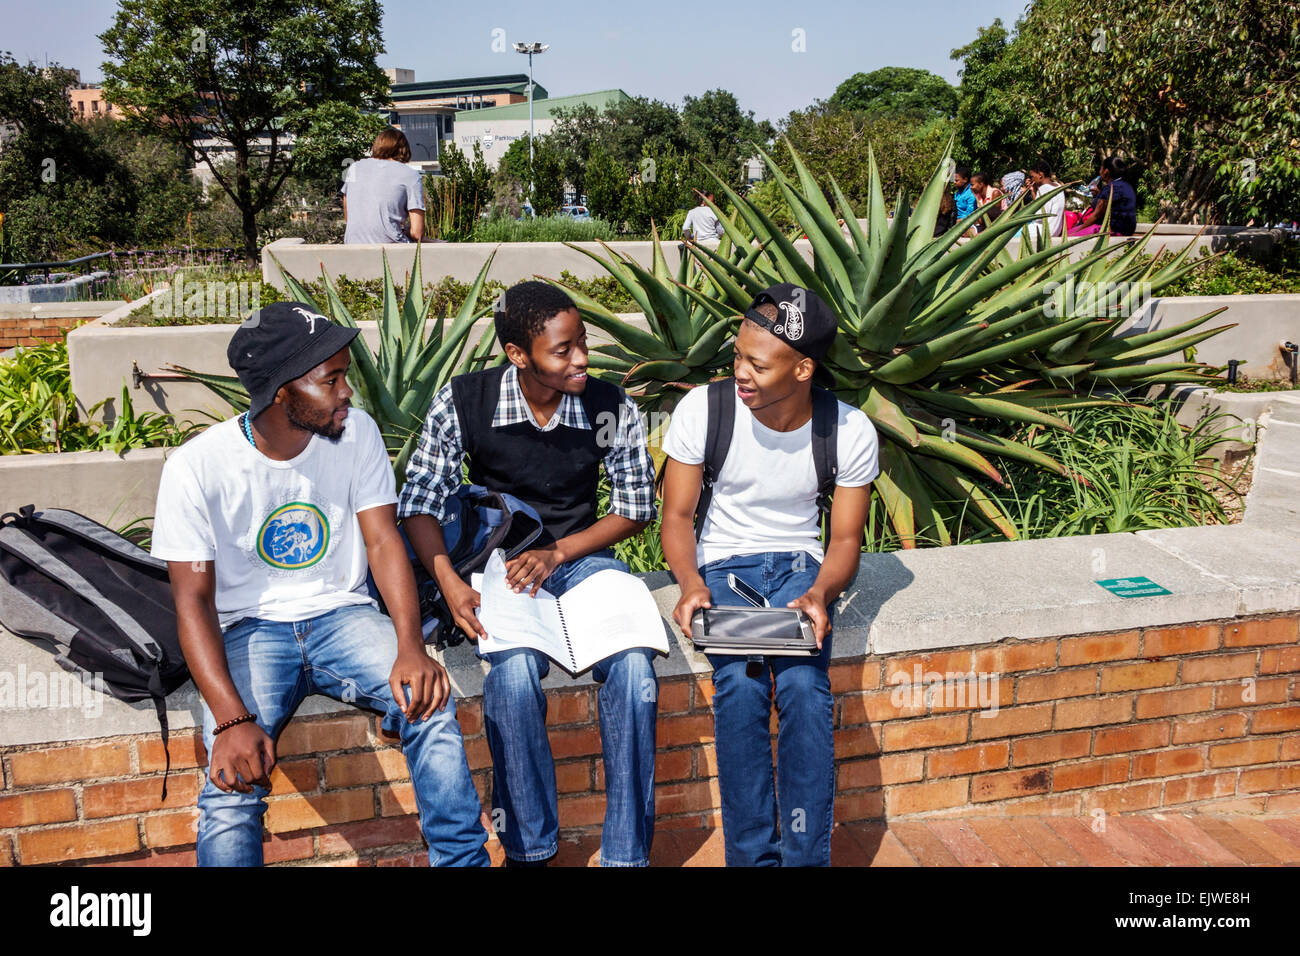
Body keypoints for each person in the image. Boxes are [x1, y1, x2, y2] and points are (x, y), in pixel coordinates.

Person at [151, 301, 489, 867]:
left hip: (344, 617)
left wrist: (410, 647)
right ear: (282, 393)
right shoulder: (195, 468)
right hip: (248, 629)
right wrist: (232, 719)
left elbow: (383, 541)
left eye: (345, 375)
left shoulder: (357, 434)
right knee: (233, 779)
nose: (347, 392)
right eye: (330, 380)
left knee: (429, 705)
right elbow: (193, 601)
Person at [398, 281, 660, 867]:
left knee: (637, 673)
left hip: (581, 559)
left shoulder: (608, 406)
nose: (581, 360)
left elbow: (636, 505)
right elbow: (417, 501)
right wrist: (450, 583)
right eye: (563, 351)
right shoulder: (467, 400)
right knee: (512, 678)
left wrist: (560, 553)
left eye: (582, 344)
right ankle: (529, 848)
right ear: (519, 354)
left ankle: (626, 854)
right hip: (502, 566)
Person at [660, 283, 878, 866]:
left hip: (800, 569)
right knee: (740, 686)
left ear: (803, 368)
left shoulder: (849, 430)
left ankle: (806, 857)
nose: (740, 372)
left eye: (756, 363)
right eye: (736, 356)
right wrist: (690, 584)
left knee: (807, 690)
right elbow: (677, 518)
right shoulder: (705, 409)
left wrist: (820, 593)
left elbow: (845, 540)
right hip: (724, 566)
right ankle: (753, 858)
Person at [342, 128, 426, 244]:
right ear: (404, 149)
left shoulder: (354, 167)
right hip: (390, 248)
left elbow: (346, 204)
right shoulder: (410, 175)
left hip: (352, 243)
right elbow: (417, 233)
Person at [1070, 156, 1140, 236]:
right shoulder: (1126, 185)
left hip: (1111, 230)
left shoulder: (1110, 188)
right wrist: (1099, 194)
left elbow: (1096, 216)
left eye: (1101, 169)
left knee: (1068, 235)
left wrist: (1076, 232)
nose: (1099, 172)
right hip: (1127, 230)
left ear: (1106, 171)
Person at [1026, 160, 1066, 242]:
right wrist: (1033, 191)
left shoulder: (1044, 189)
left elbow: (1038, 217)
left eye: (1032, 176)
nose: (1031, 179)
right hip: (1055, 230)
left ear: (1040, 175)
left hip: (1042, 231)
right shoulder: (1058, 186)